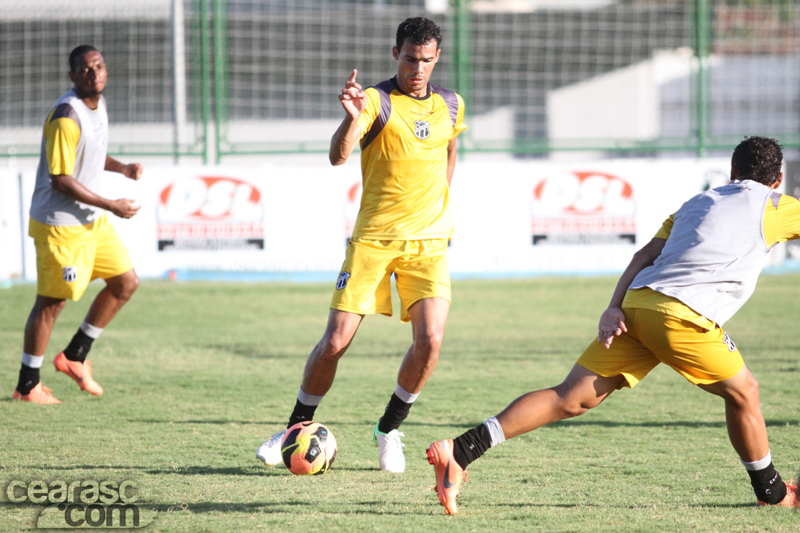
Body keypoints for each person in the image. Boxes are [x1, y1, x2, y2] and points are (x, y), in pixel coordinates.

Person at [427, 136, 800, 513]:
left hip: (636, 306)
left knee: (569, 397)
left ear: (732, 170)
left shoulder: (698, 202)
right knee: (745, 392)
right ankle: (774, 494)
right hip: (682, 317)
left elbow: (644, 254)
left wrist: (612, 307)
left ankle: (461, 450)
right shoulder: (777, 205)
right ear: (778, 179)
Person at [257, 17, 466, 472]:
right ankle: (293, 429)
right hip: (373, 240)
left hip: (428, 244)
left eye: (426, 60)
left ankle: (388, 429)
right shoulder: (375, 99)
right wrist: (350, 120)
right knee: (334, 342)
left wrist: (441, 205)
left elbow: (450, 149)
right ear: (396, 54)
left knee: (430, 340)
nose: (418, 68)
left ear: (436, 59)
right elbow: (338, 156)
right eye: (410, 58)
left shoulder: (451, 104)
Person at [12, 45, 143, 404]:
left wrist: (123, 169)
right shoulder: (65, 116)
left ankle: (74, 356)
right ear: (72, 76)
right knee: (52, 304)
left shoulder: (98, 106)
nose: (94, 73)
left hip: (91, 221)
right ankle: (27, 386)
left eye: (99, 66)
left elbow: (94, 153)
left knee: (124, 283)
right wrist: (112, 204)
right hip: (60, 226)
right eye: (85, 69)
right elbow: (61, 179)